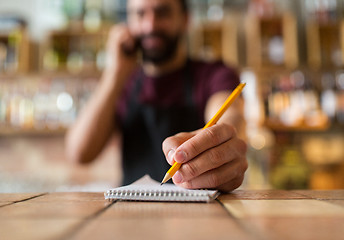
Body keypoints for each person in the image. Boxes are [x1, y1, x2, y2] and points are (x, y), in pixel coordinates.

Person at [65, 0, 248, 192]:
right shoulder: (122, 82)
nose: (150, 25)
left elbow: (231, 117)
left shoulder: (214, 74)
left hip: (199, 214)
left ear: (185, 19)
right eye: (140, 14)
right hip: (132, 212)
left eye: (163, 13)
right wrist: (115, 73)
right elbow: (79, 153)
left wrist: (225, 141)